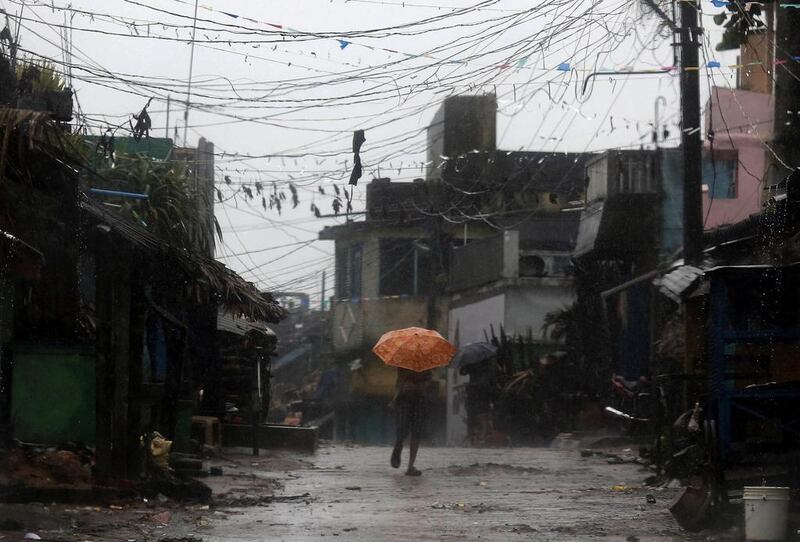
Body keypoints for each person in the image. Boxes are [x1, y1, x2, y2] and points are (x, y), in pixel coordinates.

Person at [389, 367, 432, 476]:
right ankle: (398, 445)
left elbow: (428, 383)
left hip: (419, 401)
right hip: (404, 400)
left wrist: (420, 386)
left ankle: (410, 465)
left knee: (416, 432)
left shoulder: (427, 366)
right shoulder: (403, 365)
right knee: (402, 429)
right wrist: (405, 386)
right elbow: (399, 382)